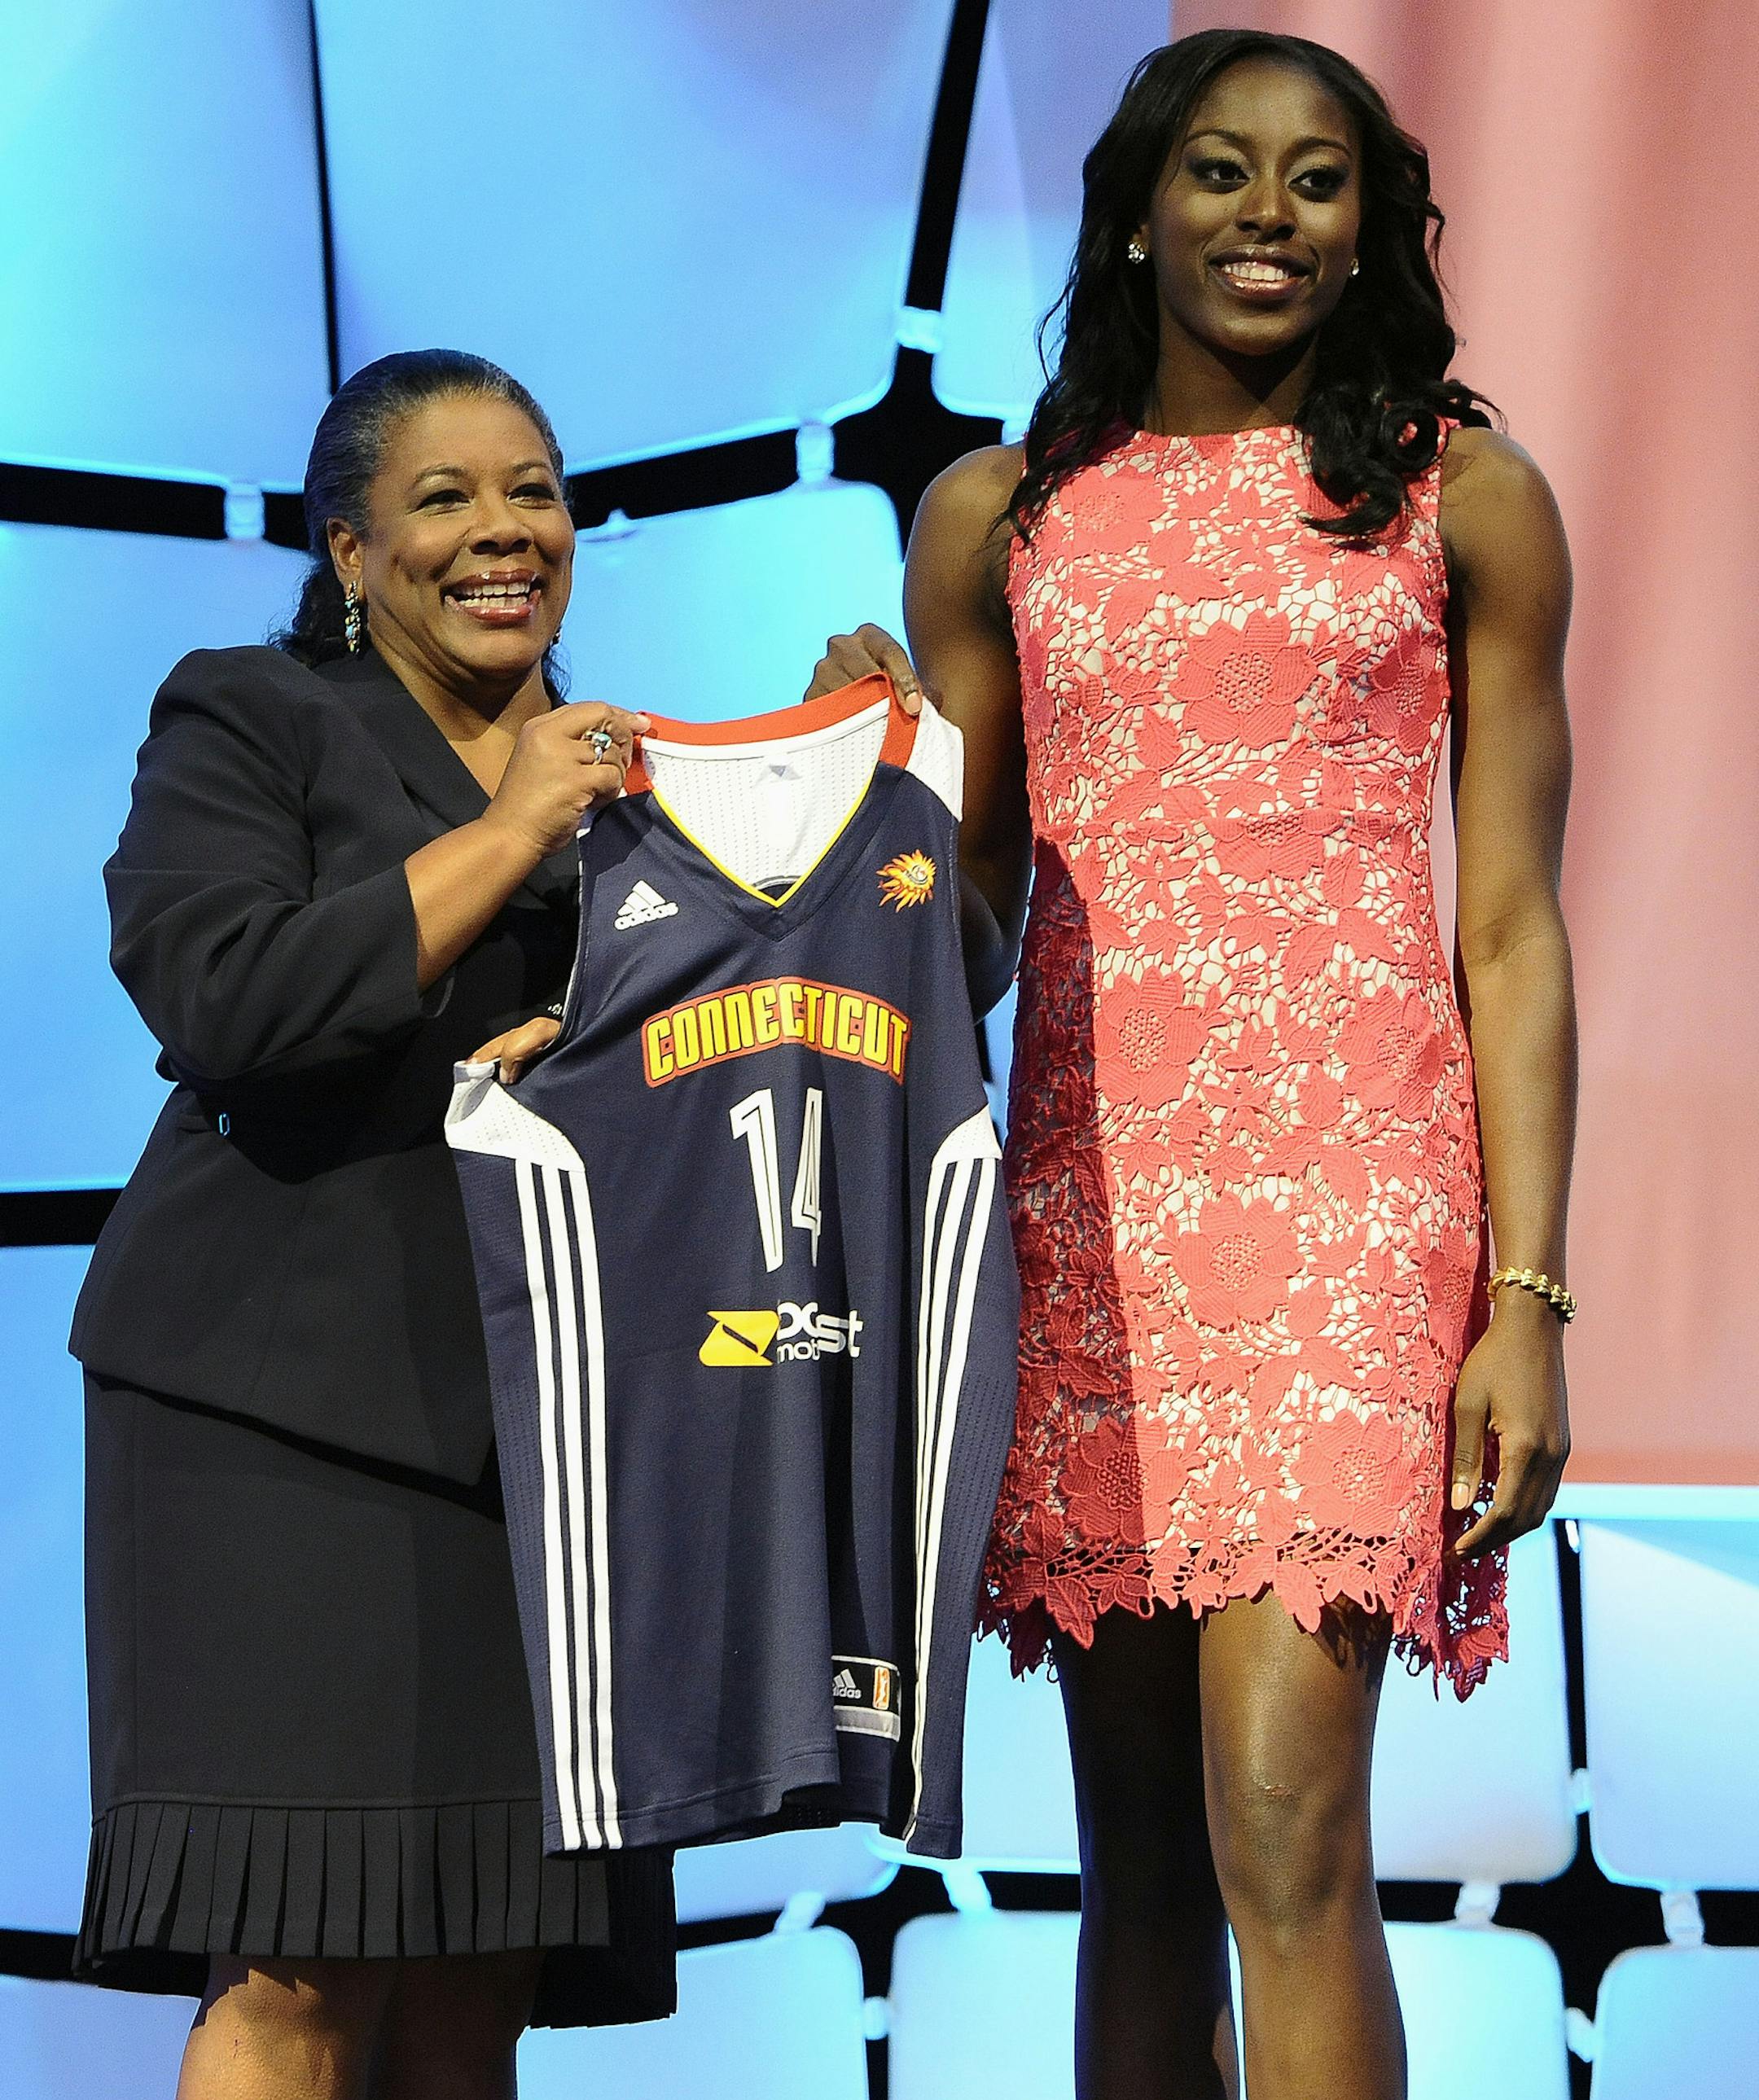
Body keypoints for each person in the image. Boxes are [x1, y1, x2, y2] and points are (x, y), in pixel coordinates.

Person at [808, 29, 1576, 2100]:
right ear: (1140, 211)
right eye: (1222, 171)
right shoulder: (1000, 517)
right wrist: (870, 789)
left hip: (1353, 1213)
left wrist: (1526, 1299)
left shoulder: (1463, 496)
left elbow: (1512, 928)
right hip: (1093, 1222)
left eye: (1318, 180)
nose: (1268, 215)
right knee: (1141, 1869)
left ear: (1372, 225)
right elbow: (965, 925)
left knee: (1285, 1830)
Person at [69, 349, 674, 2100]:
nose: (504, 530)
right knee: (301, 1968)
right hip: (276, 1417)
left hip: (540, 1441)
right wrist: (513, 825)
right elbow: (223, 994)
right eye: (445, 497)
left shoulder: (638, 781)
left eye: (534, 491)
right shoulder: (253, 715)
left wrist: (886, 769)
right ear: (349, 550)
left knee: (480, 1970)